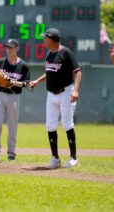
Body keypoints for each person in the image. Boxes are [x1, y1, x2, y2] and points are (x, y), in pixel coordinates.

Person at [30, 28, 82, 168]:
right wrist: (37, 81)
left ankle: (73, 158)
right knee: (50, 125)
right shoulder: (49, 54)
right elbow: (50, 72)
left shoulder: (66, 52)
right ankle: (55, 158)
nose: (43, 40)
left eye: (45, 38)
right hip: (51, 94)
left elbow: (77, 72)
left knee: (67, 124)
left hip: (66, 92)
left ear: (52, 40)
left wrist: (75, 90)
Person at [0, 39, 31, 162]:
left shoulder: (24, 65)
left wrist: (11, 82)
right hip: (0, 95)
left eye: (11, 47)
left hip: (14, 96)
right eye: (7, 47)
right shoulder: (0, 62)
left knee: (12, 126)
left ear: (17, 48)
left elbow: (26, 84)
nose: (9, 49)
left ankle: (11, 154)